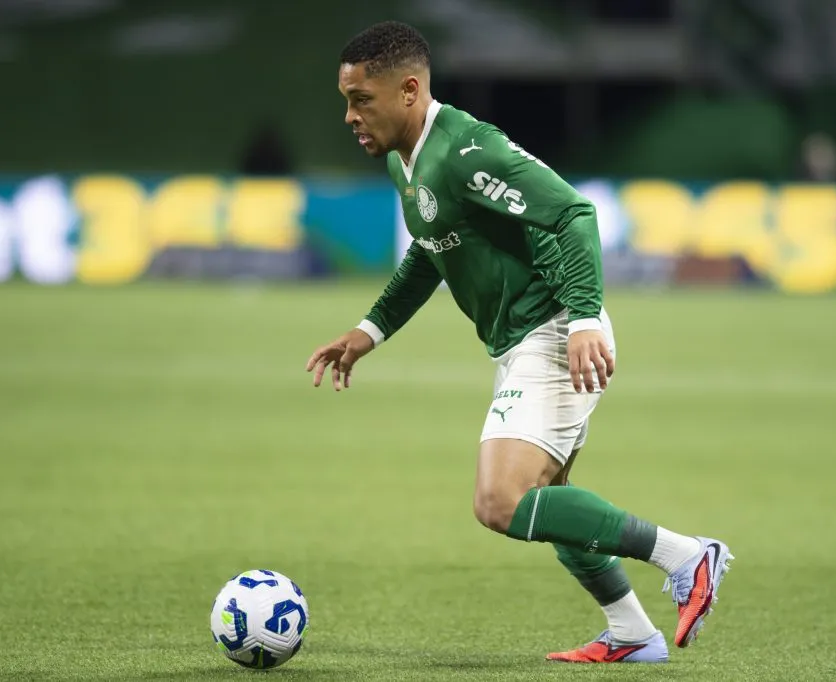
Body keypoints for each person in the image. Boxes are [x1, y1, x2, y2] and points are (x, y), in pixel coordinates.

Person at [305, 21, 733, 664]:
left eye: (361, 99)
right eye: (346, 100)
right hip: (520, 341)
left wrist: (584, 317)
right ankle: (632, 634)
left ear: (409, 90)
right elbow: (430, 250)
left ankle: (687, 555)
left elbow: (572, 212)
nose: (350, 115)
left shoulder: (467, 154)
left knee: (500, 500)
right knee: (551, 500)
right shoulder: (406, 162)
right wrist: (370, 331)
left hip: (555, 333)